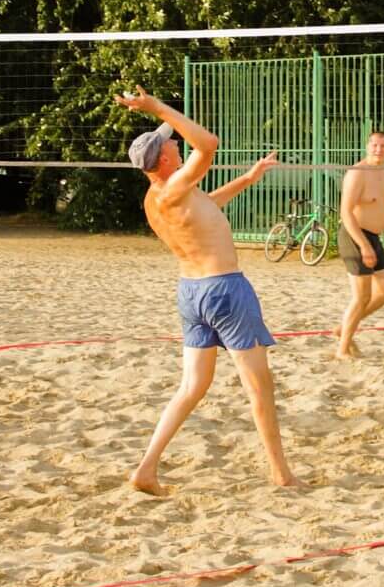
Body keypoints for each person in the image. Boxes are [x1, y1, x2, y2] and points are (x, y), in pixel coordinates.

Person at [114, 86, 299, 494]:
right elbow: (209, 144)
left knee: (191, 387)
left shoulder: (157, 197)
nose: (176, 143)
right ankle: (281, 474)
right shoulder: (173, 186)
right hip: (224, 290)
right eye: (169, 144)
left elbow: (206, 206)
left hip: (191, 293)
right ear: (164, 160)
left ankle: (146, 468)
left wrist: (248, 178)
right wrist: (156, 108)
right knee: (259, 386)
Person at [335, 129, 384, 359]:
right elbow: (345, 212)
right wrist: (363, 245)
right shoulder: (357, 173)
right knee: (361, 297)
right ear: (367, 147)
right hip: (354, 236)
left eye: (383, 146)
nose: (378, 149)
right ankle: (342, 350)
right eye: (374, 145)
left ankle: (343, 328)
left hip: (374, 237)